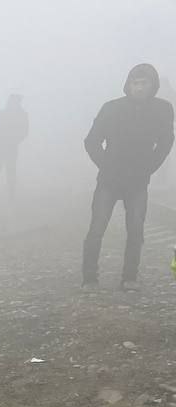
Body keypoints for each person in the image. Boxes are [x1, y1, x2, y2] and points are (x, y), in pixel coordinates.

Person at [82, 63, 175, 289]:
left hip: (138, 180)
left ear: (153, 86)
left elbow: (166, 140)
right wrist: (107, 166)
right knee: (97, 228)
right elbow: (91, 141)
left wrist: (149, 167)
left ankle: (130, 277)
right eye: (135, 83)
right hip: (109, 180)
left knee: (136, 229)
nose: (139, 88)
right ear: (128, 84)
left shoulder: (162, 109)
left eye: (144, 83)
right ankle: (90, 279)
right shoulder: (111, 108)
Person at [0, 94, 29, 199]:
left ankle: (9, 196)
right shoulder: (2, 114)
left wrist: (14, 140)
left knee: (9, 172)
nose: (10, 102)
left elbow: (24, 131)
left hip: (9, 147)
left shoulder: (21, 115)